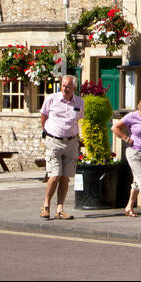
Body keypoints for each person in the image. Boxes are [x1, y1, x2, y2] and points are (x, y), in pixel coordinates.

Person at [39, 74, 83, 220]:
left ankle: (60, 209)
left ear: (74, 88)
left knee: (65, 177)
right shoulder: (51, 99)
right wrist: (46, 132)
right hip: (54, 141)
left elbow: (80, 120)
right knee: (55, 175)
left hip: (71, 142)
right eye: (63, 85)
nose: (65, 88)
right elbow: (43, 116)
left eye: (68, 86)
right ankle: (46, 205)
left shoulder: (79, 103)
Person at [112, 96, 141, 218]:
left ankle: (129, 207)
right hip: (134, 153)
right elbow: (115, 127)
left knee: (138, 182)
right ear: (139, 108)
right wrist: (126, 138)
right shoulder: (132, 116)